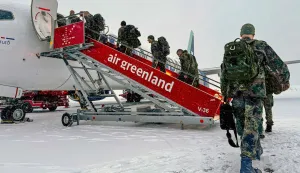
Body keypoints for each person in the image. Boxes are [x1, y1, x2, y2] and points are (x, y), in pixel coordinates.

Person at [220, 23, 282, 173]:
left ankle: (256, 150)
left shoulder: (231, 48)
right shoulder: (261, 46)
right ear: (253, 34)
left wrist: (225, 94)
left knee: (243, 127)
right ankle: (246, 166)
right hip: (255, 94)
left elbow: (224, 72)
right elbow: (278, 65)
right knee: (252, 127)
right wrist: (283, 82)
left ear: (241, 34)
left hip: (236, 95)